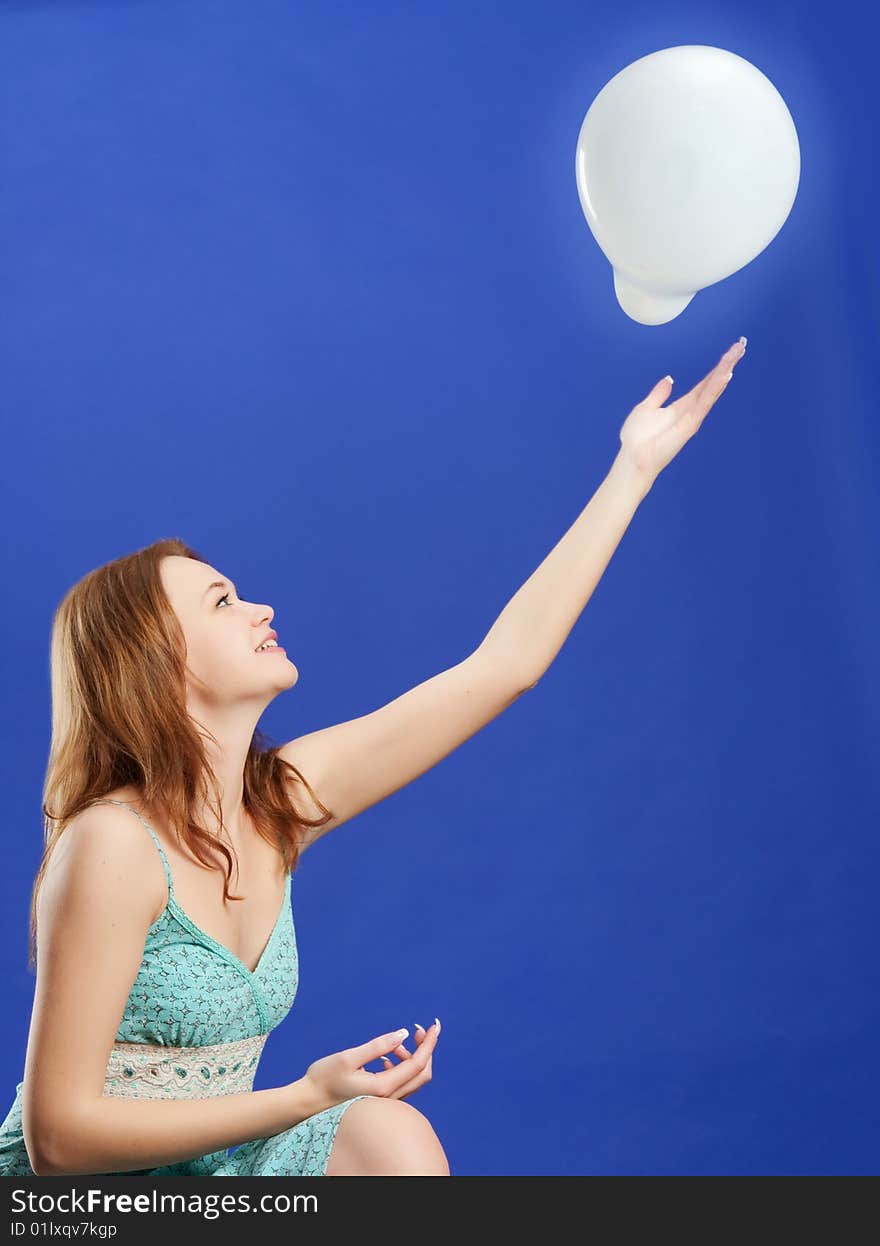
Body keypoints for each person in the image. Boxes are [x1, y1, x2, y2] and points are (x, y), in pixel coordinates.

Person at [0, 337, 746, 1177]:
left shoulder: (279, 802)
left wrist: (633, 470)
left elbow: (504, 668)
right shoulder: (111, 845)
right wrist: (308, 1095)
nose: (261, 607)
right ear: (156, 664)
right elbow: (58, 1141)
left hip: (209, 1176)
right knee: (347, 1114)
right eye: (223, 601)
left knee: (386, 1135)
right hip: (74, 1203)